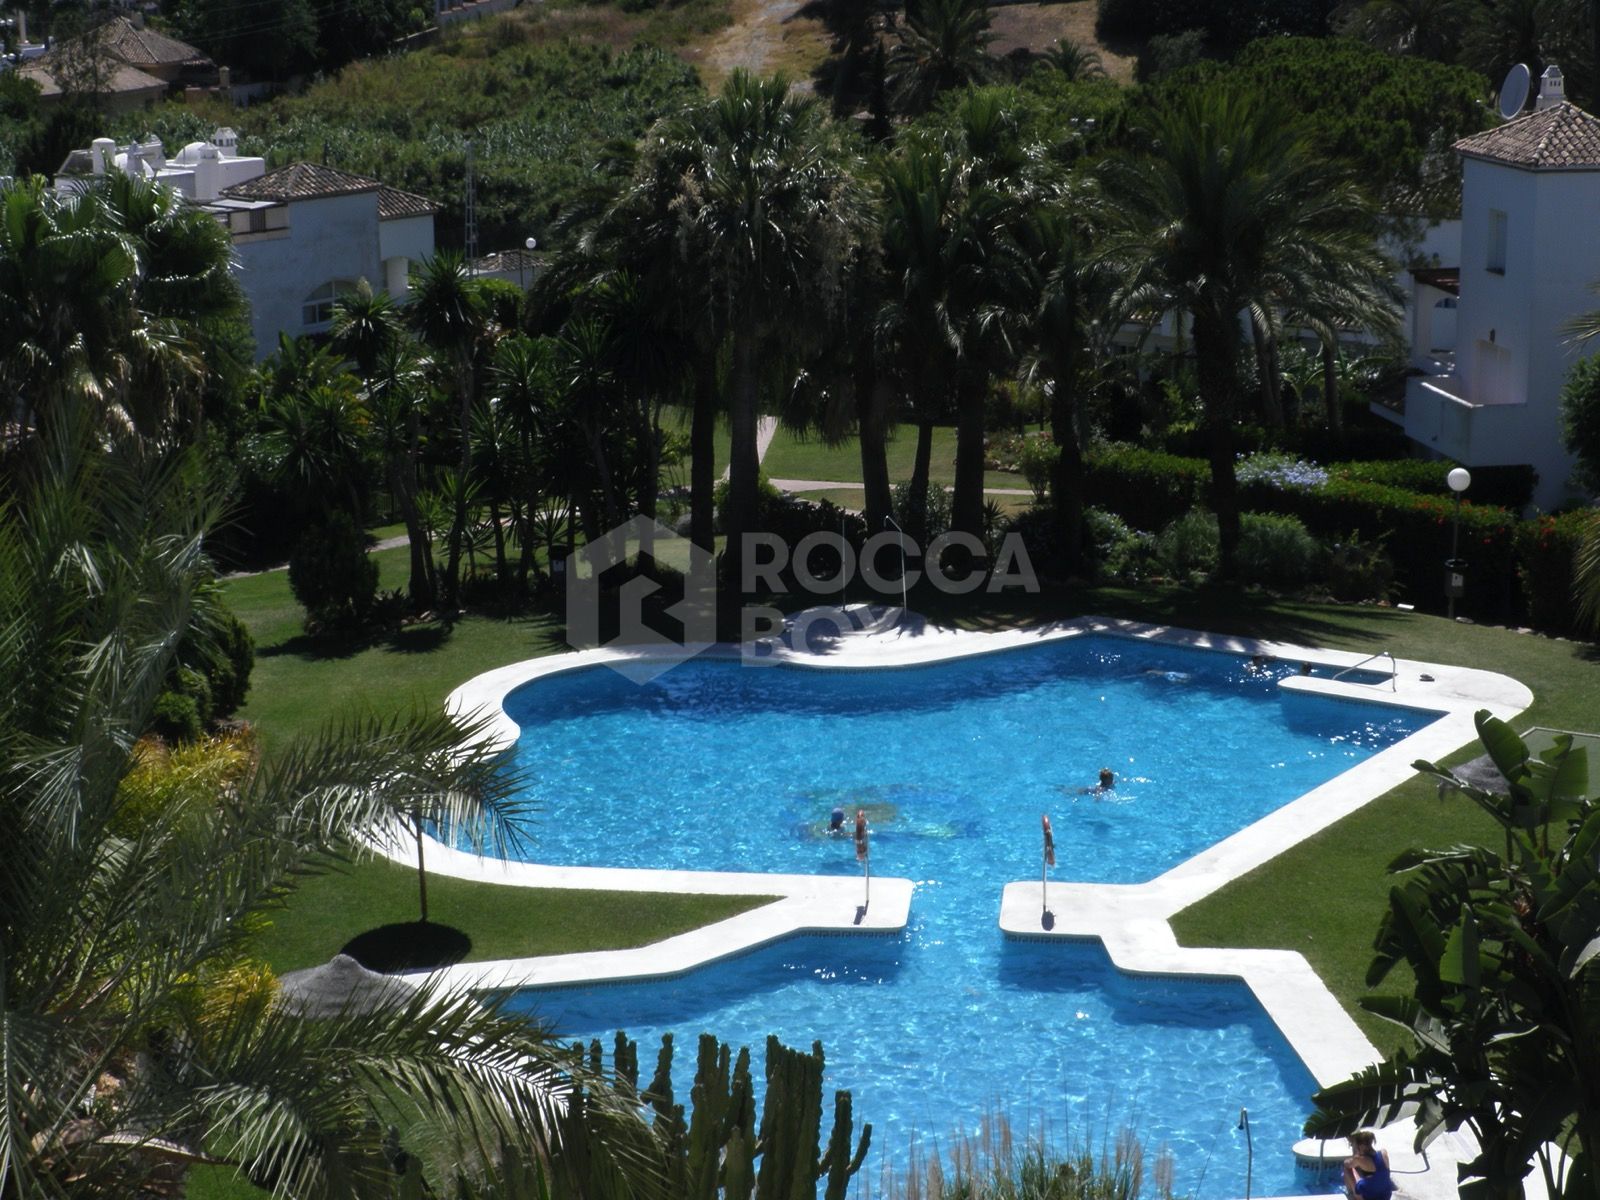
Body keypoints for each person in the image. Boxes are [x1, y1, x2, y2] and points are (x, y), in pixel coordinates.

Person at [1343, 1131, 1393, 1200]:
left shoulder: (1360, 1159)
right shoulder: (1383, 1152)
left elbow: (1346, 1163)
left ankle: (1352, 1195)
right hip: (1386, 1194)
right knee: (1373, 1176)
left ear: (1361, 1146)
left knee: (1346, 1169)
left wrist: (1356, 1152)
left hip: (1369, 1196)